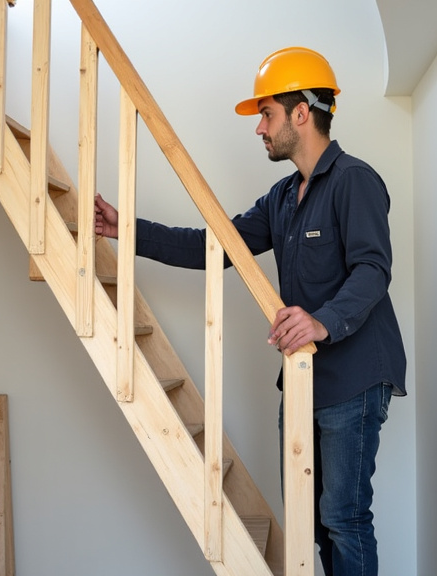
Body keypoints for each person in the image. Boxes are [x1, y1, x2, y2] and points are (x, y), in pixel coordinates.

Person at [94, 46, 406, 576]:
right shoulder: (282, 198)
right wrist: (127, 229)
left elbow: (373, 269)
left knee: (344, 517)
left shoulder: (354, 180)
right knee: (311, 524)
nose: (259, 128)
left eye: (266, 114)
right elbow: (214, 246)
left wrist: (321, 321)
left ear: (301, 113)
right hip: (305, 380)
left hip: (356, 376)